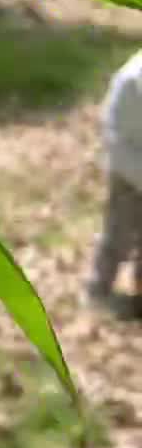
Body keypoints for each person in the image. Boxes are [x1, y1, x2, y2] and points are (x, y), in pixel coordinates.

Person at [86, 49, 142, 318]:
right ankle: (98, 290)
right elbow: (116, 139)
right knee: (118, 233)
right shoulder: (134, 78)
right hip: (127, 167)